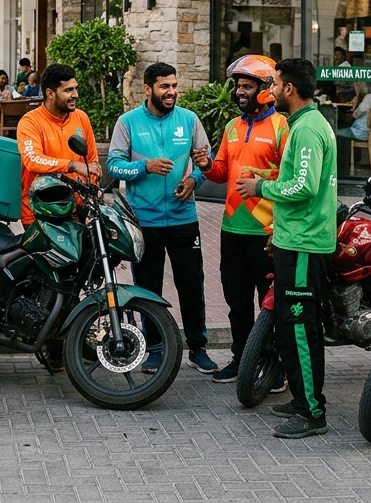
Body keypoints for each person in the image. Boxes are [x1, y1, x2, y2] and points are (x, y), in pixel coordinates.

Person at [236, 58, 338, 439]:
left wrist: (260, 189)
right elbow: (295, 177)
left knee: (300, 329)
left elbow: (304, 187)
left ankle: (312, 412)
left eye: (275, 84)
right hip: (293, 241)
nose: (270, 90)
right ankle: (301, 400)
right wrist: (265, 176)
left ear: (290, 89)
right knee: (290, 326)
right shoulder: (302, 125)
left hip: (303, 244)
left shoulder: (308, 128)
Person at [108, 62, 216, 374]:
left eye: (173, 86)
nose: (171, 92)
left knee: (191, 286)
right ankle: (154, 349)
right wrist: (145, 167)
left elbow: (204, 161)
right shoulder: (128, 122)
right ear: (148, 89)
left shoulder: (189, 119)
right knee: (148, 288)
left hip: (184, 219)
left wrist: (194, 179)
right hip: (145, 222)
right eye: (164, 87)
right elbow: (114, 166)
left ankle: (198, 348)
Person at [192, 55, 289, 385]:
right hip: (232, 228)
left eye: (247, 86)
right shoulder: (232, 127)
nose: (240, 92)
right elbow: (222, 174)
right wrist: (206, 164)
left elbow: (290, 181)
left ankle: (272, 365)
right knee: (236, 302)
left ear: (265, 89)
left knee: (269, 304)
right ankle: (241, 358)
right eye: (238, 86)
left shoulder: (282, 127)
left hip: (266, 231)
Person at [16, 63, 100, 225]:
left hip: (77, 211)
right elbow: (33, 160)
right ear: (50, 94)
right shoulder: (30, 122)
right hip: (41, 213)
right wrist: (72, 165)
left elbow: (92, 163)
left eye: (75, 88)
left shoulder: (81, 118)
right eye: (68, 90)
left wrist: (92, 202)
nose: (75, 94)